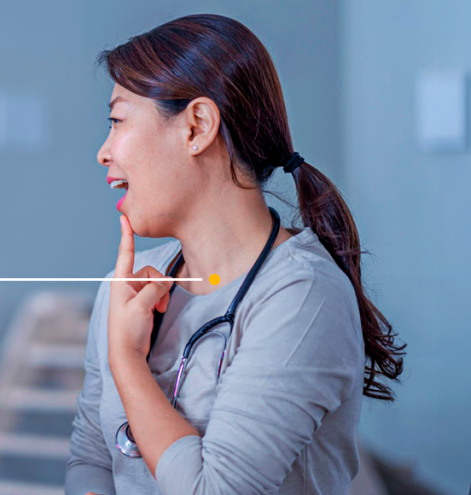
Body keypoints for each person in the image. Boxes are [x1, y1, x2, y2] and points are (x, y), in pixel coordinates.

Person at [66, 14, 404, 495]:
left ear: (197, 127)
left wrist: (126, 359)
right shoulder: (127, 291)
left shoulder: (302, 296)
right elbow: (90, 461)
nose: (104, 152)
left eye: (117, 120)